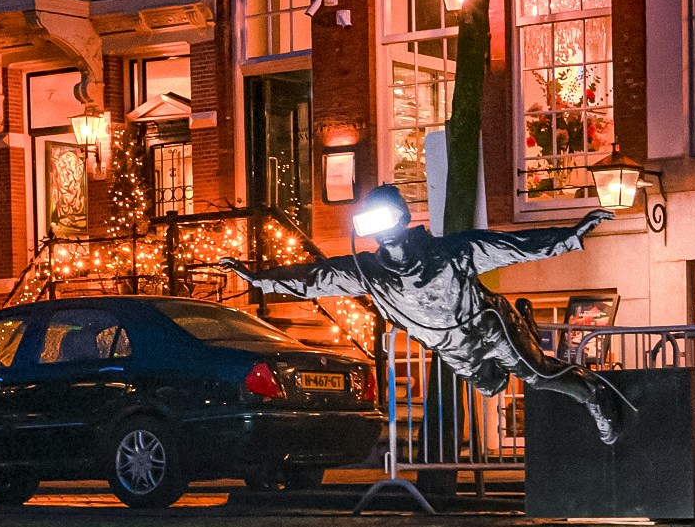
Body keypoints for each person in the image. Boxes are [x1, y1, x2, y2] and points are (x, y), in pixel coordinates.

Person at [220, 184, 625, 442]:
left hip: (487, 325)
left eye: (387, 218)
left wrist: (570, 234)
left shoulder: (452, 252)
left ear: (403, 218)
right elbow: (315, 278)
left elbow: (516, 245)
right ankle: (530, 332)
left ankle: (593, 395)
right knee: (491, 387)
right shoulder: (368, 271)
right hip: (451, 346)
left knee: (534, 375)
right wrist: (260, 280)